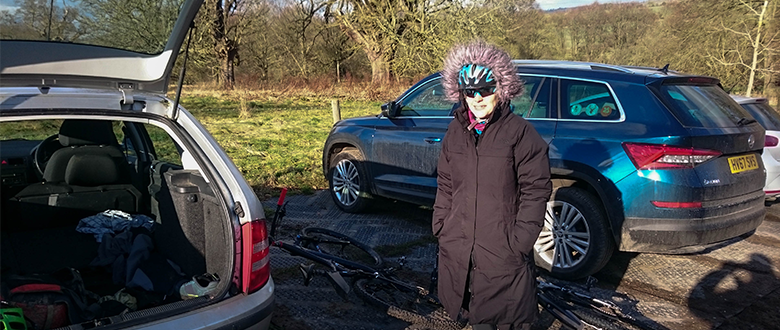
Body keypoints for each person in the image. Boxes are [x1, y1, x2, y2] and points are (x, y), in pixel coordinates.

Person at [432, 40, 552, 330]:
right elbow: (446, 183)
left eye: (485, 89)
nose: (478, 98)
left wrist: (519, 242)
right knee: (470, 315)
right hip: (459, 245)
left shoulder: (521, 134)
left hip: (502, 252)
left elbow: (536, 191)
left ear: (501, 88)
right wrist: (441, 224)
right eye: (469, 91)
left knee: (504, 319)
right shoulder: (455, 131)